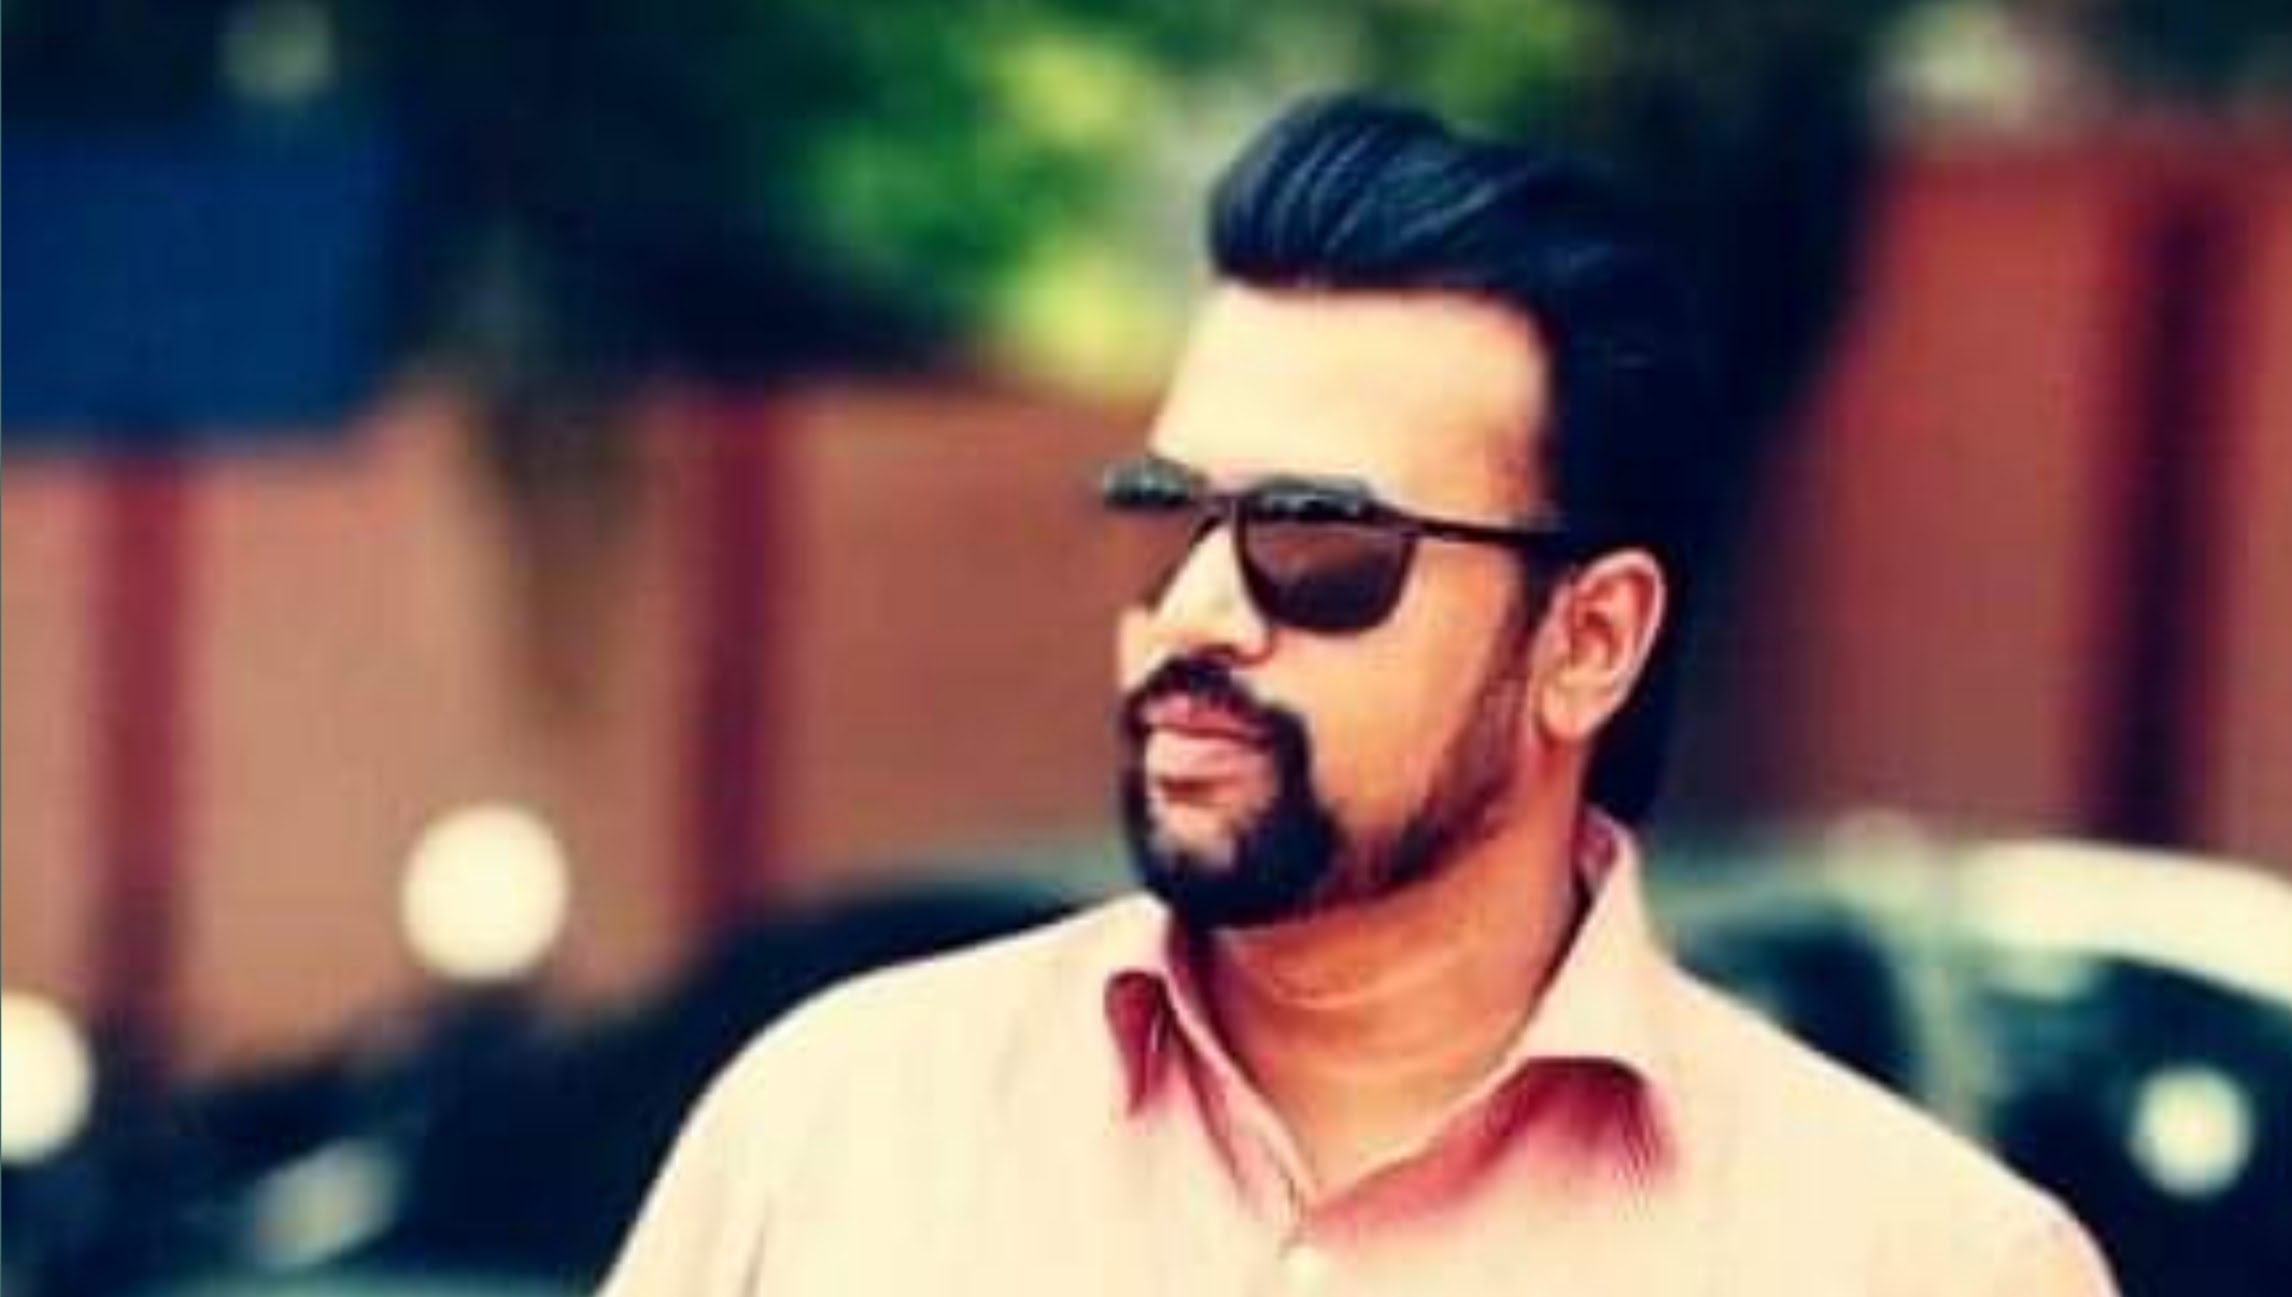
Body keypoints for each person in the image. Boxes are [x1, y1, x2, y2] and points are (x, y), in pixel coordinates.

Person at [600, 93, 2116, 1295]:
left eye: (1317, 540)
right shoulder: (838, 1135)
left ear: (1589, 640)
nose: (1200, 611)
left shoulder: (1921, 1264)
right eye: (1171, 514)